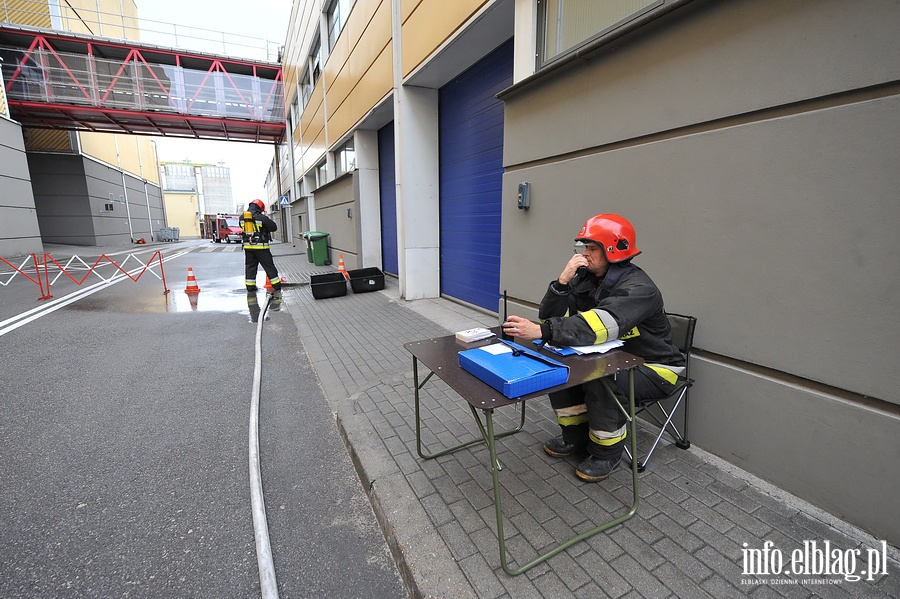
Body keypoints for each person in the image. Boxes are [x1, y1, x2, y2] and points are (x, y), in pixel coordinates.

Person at [502, 214, 685, 482]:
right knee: (560, 365)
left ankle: (606, 453)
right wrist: (562, 283)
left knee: (601, 377)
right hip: (612, 356)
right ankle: (574, 437)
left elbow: (597, 326)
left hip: (654, 368)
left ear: (613, 249)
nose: (585, 254)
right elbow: (551, 317)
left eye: (592, 248)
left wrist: (544, 332)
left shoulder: (639, 288)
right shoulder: (586, 279)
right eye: (584, 247)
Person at [240, 199, 282, 298]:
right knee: (269, 266)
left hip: (248, 248)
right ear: (259, 208)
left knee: (250, 267)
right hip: (261, 248)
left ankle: (250, 287)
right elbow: (273, 227)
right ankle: (277, 286)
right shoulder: (262, 218)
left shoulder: (242, 218)